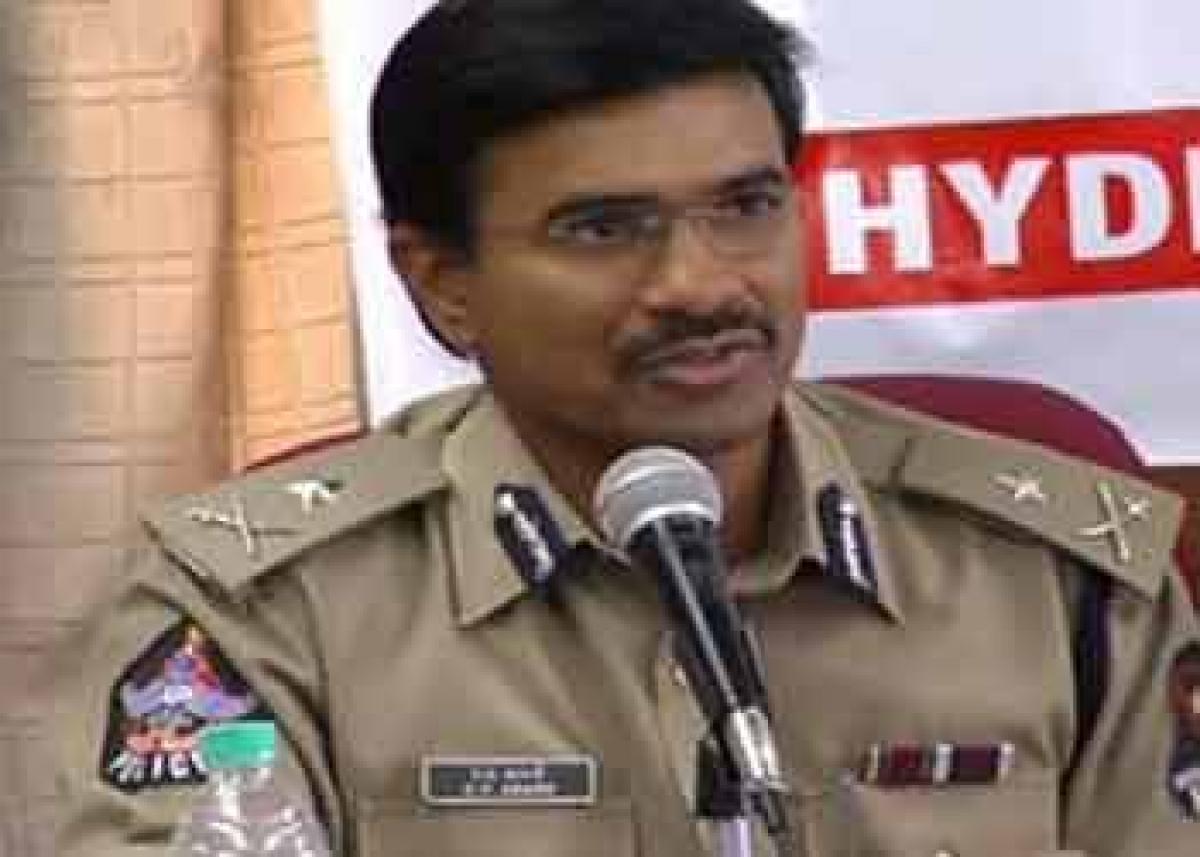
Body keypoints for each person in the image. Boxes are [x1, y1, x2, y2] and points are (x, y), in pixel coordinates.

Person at [55, 0, 1198, 854]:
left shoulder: (1056, 578)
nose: (700, 283)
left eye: (746, 206)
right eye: (604, 229)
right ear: (442, 282)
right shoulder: (261, 609)